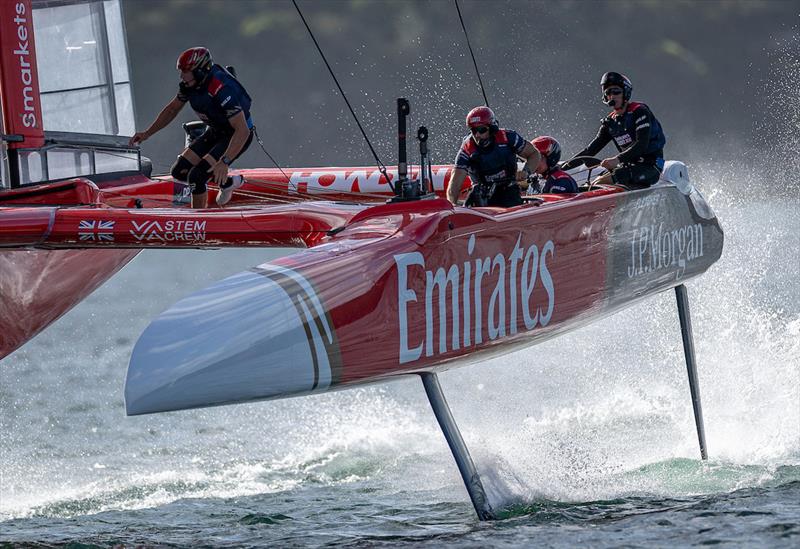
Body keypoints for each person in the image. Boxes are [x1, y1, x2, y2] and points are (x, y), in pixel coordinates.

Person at [129, 47, 254, 208]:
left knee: (197, 176)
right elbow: (172, 109)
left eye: (185, 71)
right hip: (216, 131)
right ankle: (228, 183)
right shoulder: (189, 86)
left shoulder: (220, 89)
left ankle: (199, 222)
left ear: (200, 71)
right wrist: (147, 133)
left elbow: (242, 130)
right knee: (179, 171)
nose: (181, 76)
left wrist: (225, 161)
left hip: (235, 136)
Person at [572, 72, 666, 189]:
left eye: (616, 92)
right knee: (593, 182)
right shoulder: (610, 122)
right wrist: (561, 168)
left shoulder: (639, 111)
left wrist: (616, 160)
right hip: (628, 167)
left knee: (602, 182)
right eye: (608, 92)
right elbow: (589, 151)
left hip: (651, 167)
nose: (612, 96)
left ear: (625, 93)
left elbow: (641, 144)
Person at [447, 106, 541, 207]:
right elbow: (455, 185)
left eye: (482, 130)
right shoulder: (467, 149)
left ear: (492, 128)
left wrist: (526, 171)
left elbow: (534, 154)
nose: (477, 135)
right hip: (482, 195)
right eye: (473, 131)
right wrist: (453, 208)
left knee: (510, 196)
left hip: (509, 190)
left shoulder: (508, 137)